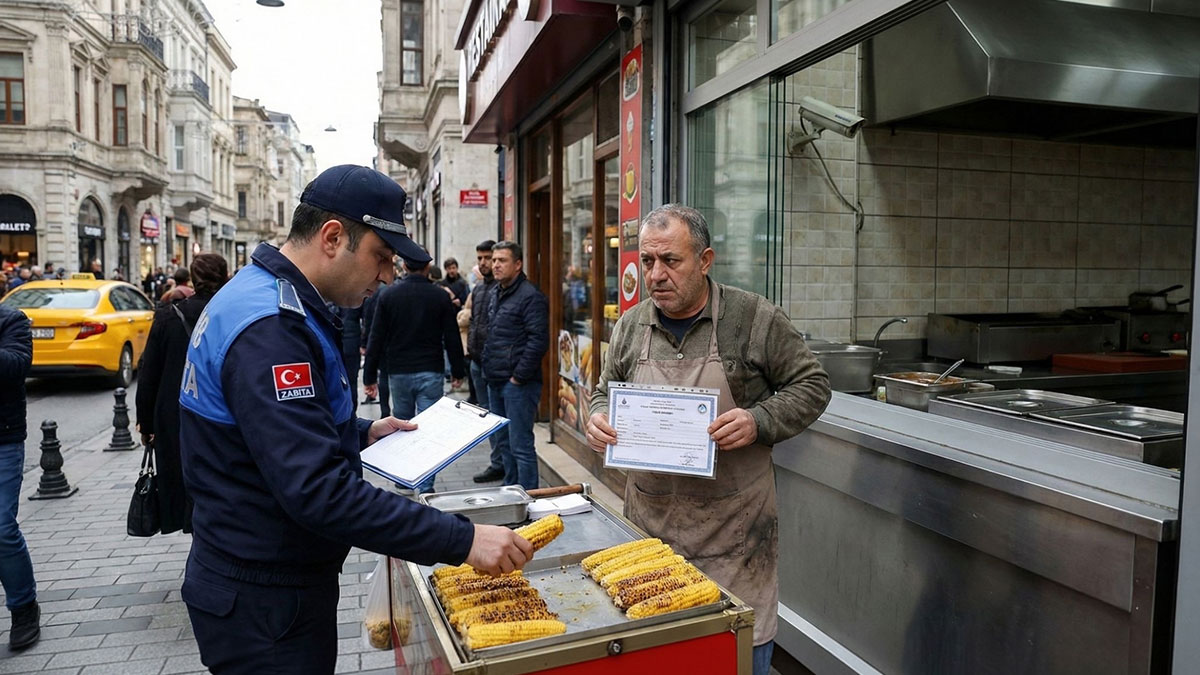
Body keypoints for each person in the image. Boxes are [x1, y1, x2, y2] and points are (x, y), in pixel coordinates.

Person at [178, 165, 533, 674]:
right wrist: (464, 539)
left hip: (265, 579)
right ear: (332, 237)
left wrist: (358, 432)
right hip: (263, 601)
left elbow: (262, 431)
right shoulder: (272, 330)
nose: (387, 275)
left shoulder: (267, 299)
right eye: (380, 257)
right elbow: (318, 491)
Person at [585, 204, 831, 675]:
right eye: (648, 260)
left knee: (733, 656)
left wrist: (759, 420)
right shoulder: (632, 325)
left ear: (705, 259)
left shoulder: (754, 319)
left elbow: (813, 385)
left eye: (670, 261)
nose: (656, 274)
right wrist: (598, 416)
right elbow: (604, 389)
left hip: (735, 539)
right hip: (649, 533)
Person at [136, 253, 230, 535]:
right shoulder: (230, 312)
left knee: (181, 477)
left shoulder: (168, 316)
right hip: (220, 411)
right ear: (225, 276)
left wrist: (146, 423)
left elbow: (148, 371)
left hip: (174, 413)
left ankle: (193, 528)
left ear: (192, 279)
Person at [362, 254, 465, 494]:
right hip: (431, 369)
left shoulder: (389, 295)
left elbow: (376, 337)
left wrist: (369, 376)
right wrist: (458, 371)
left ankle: (406, 478)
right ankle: (426, 484)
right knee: (429, 428)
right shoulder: (440, 295)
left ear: (404, 266)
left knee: (402, 425)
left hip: (399, 371)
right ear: (428, 266)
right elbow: (451, 336)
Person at [481, 241, 548, 491]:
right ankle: (510, 492)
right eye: (494, 260)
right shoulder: (496, 292)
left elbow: (538, 340)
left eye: (502, 260)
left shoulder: (530, 297)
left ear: (517, 265)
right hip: (495, 380)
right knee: (504, 443)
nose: (495, 265)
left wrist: (518, 377)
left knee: (521, 446)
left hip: (518, 385)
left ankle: (530, 496)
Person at [0, 300, 39, 650]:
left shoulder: (12, 321)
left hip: (3, 439)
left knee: (1, 528)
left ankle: (23, 606)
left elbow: (16, 365)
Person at [465, 240, 504, 483]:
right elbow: (475, 322)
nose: (483, 263)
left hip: (495, 366)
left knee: (498, 418)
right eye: (480, 258)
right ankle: (497, 461)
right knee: (487, 417)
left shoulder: (499, 289)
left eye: (488, 258)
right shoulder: (479, 289)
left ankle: (501, 463)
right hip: (477, 362)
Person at [360, 280, 392, 415]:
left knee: (383, 374)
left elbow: (367, 322)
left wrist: (364, 343)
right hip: (392, 338)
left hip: (377, 339)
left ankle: (385, 410)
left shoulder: (371, 293)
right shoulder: (391, 292)